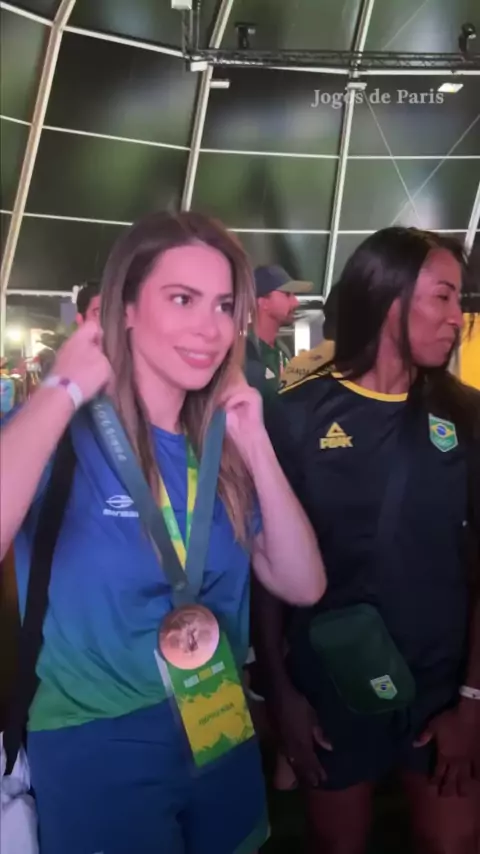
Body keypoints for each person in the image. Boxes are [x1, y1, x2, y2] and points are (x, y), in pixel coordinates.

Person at [0, 211, 327, 854]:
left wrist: (256, 442)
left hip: (218, 720)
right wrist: (62, 387)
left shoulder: (222, 446)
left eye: (223, 305)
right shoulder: (59, 433)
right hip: (99, 738)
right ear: (122, 309)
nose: (210, 327)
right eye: (182, 299)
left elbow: (304, 584)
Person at [254, 227, 480, 854]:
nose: (457, 317)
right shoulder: (295, 415)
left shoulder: (468, 416)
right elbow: (264, 570)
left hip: (441, 688)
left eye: (459, 300)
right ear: (388, 297)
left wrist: (472, 703)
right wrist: (282, 694)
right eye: (442, 296)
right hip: (330, 688)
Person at [245, 265, 312, 398]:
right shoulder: (244, 356)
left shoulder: (283, 351)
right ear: (264, 302)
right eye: (287, 294)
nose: (295, 302)